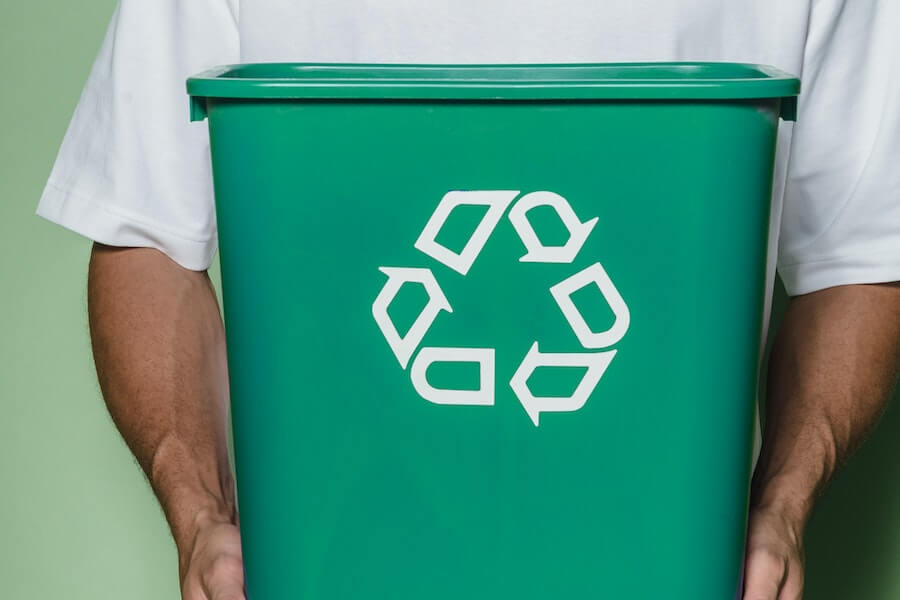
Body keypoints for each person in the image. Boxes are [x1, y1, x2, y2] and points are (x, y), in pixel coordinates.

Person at [38, 1, 900, 599]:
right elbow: (142, 229)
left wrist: (783, 506)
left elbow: (858, 255)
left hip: (644, 560)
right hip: (342, 561)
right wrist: (199, 515)